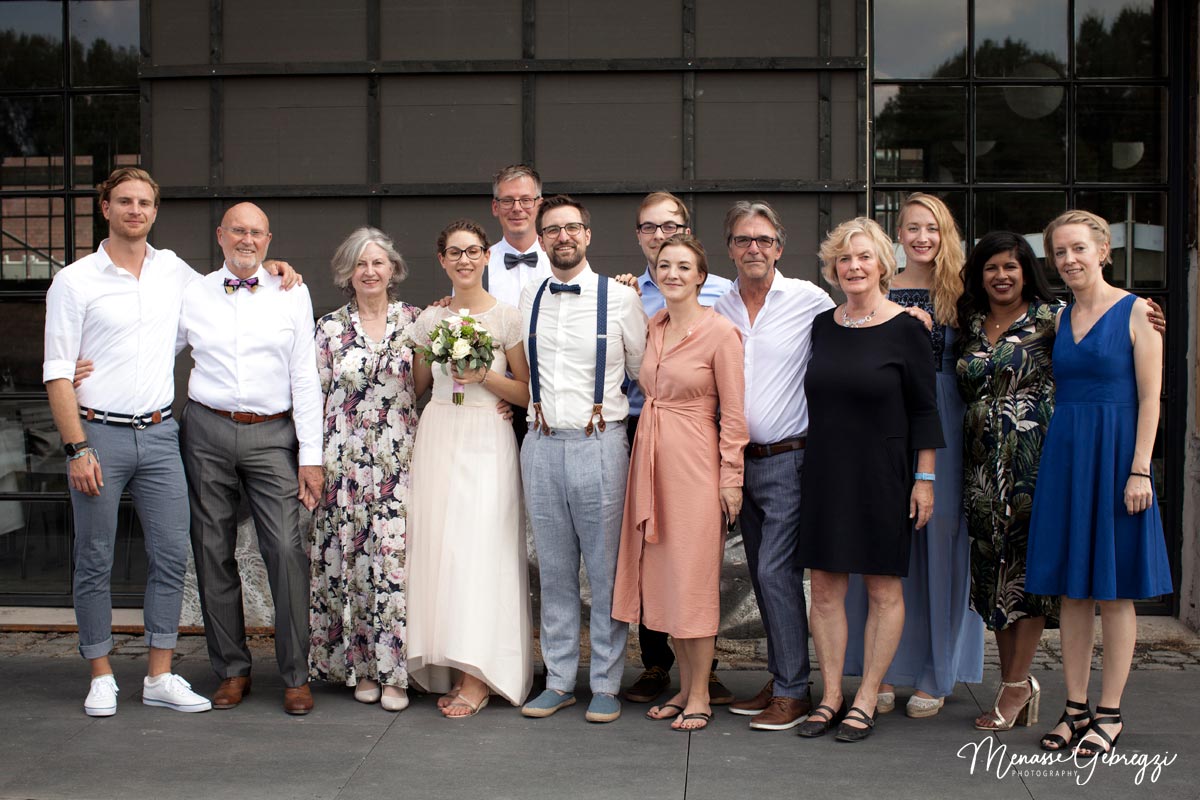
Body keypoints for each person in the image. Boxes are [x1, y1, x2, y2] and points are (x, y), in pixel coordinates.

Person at [42, 168, 214, 717]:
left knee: (170, 554)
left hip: (162, 434)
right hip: (98, 434)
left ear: (155, 211)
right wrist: (76, 447)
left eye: (144, 202)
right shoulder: (75, 280)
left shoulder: (176, 273)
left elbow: (230, 295)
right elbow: (57, 373)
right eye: (124, 201)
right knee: (95, 557)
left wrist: (278, 271)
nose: (135, 210)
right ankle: (100, 673)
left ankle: (160, 675)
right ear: (105, 207)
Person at [1026, 210, 1172, 758]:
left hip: (1116, 457)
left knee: (1113, 590)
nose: (1069, 260)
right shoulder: (1059, 318)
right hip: (1067, 456)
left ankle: (1109, 713)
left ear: (1104, 250)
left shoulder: (1138, 312)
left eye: (1079, 249)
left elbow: (1152, 398)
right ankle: (1074, 708)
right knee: (1072, 591)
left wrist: (1141, 468)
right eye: (1059, 252)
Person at [796, 217, 943, 743]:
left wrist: (923, 478)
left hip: (885, 473)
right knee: (827, 590)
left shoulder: (909, 327)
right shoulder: (822, 325)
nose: (854, 267)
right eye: (844, 259)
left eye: (864, 257)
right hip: (827, 472)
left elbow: (925, 412)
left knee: (883, 587)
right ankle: (832, 694)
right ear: (833, 269)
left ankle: (866, 697)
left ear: (884, 264)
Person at [179, 203, 323, 715]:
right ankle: (231, 669)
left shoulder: (293, 290)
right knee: (211, 548)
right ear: (220, 235)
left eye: (256, 232)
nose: (246, 239)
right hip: (206, 428)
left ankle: (295, 674)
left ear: (268, 240)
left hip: (273, 433)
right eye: (237, 230)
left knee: (285, 550)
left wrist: (312, 456)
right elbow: (156, 348)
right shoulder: (191, 292)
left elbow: (305, 374)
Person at [843, 193, 983, 718]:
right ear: (897, 235)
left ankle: (933, 670)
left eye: (932, 228)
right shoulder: (878, 283)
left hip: (940, 418)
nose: (921, 237)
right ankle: (878, 670)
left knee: (938, 540)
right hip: (880, 420)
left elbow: (1024, 317)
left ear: (945, 232)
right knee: (878, 542)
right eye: (911, 228)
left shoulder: (963, 292)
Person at [518, 195, 647, 723]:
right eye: (552, 230)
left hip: (600, 444)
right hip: (541, 444)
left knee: (604, 569)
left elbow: (643, 371)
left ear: (587, 235)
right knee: (553, 571)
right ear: (542, 239)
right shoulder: (527, 294)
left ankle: (607, 684)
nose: (562, 237)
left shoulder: (620, 299)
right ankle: (560, 679)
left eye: (572, 228)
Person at [612, 234, 747, 731]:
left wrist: (731, 479)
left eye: (682, 267)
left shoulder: (721, 333)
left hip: (695, 466)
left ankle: (700, 696)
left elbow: (734, 416)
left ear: (700, 277)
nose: (671, 273)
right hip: (650, 460)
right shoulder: (654, 324)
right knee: (666, 582)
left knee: (693, 582)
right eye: (664, 265)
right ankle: (683, 687)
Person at [712, 201, 835, 731]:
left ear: (779, 247)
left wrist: (908, 312)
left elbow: (859, 319)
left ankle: (792, 689)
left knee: (774, 572)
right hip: (739, 461)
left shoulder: (809, 299)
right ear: (731, 249)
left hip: (791, 457)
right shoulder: (719, 306)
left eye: (763, 239)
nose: (754, 248)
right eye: (743, 240)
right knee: (766, 578)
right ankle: (786, 675)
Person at [406, 219, 534, 717]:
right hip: (439, 433)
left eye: (473, 251)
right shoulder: (427, 321)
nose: (464, 259)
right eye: (454, 252)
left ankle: (479, 674)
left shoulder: (506, 318)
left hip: (486, 437)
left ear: (486, 258)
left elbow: (524, 393)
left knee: (482, 548)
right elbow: (416, 387)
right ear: (442, 260)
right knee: (443, 548)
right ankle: (448, 657)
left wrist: (484, 376)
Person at [308, 227, 420, 712]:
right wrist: (309, 461)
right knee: (351, 564)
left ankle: (395, 671)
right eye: (361, 264)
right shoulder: (329, 328)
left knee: (395, 563)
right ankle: (361, 667)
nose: (370, 271)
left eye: (378, 263)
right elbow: (311, 398)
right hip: (345, 463)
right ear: (347, 273)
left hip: (402, 459)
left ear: (393, 269)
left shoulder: (418, 322)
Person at [953, 231, 1061, 730]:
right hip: (978, 468)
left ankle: (1016, 684)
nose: (1001, 276)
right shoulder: (969, 322)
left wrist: (1145, 318)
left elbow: (1108, 340)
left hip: (1031, 463)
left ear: (1026, 272)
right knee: (991, 573)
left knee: (1024, 572)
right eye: (991, 267)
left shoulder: (1052, 319)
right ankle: (1012, 680)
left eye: (1011, 267)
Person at [485, 164, 552, 447]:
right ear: (495, 207)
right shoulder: (478, 261)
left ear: (539, 204)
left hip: (553, 400)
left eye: (526, 200)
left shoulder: (559, 258)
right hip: (497, 404)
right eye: (508, 201)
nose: (517, 208)